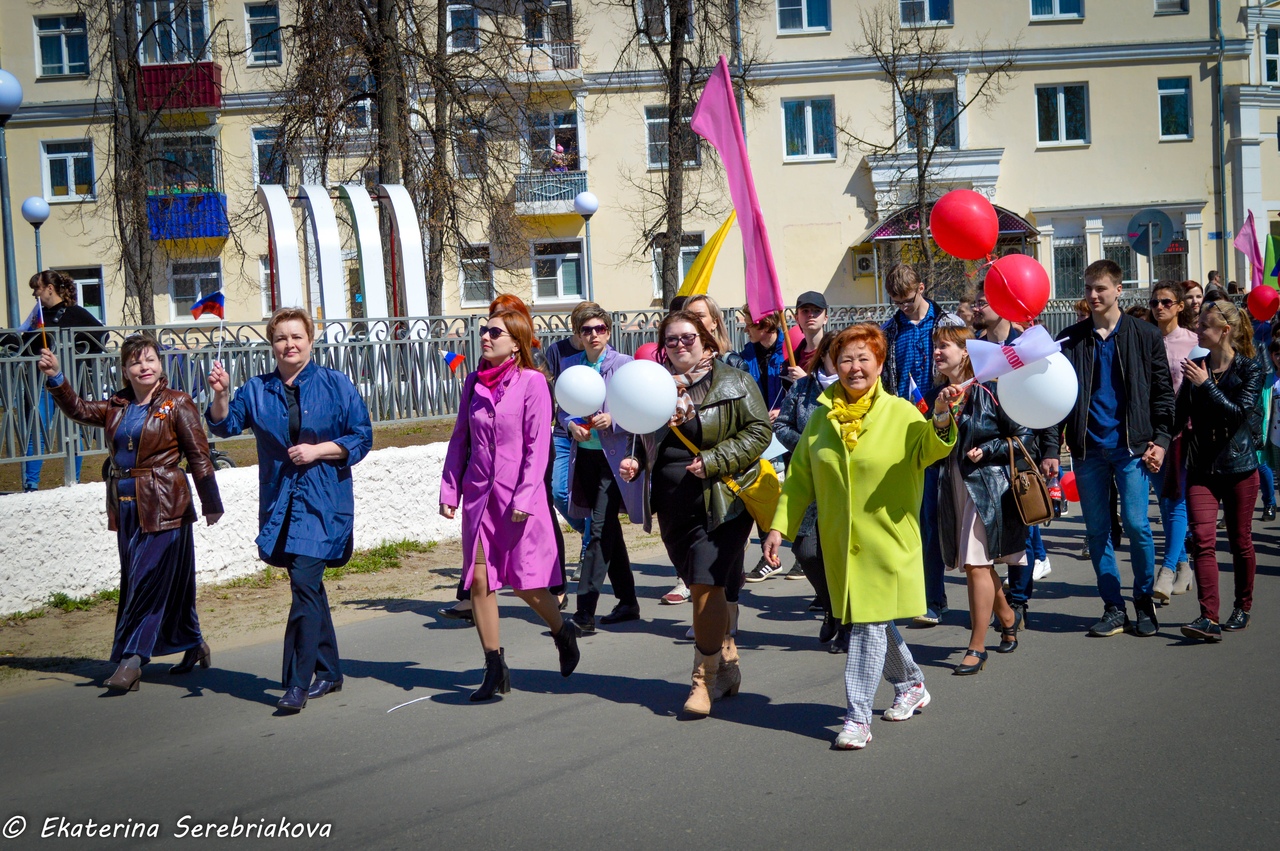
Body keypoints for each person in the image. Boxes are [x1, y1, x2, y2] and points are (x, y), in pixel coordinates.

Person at [764, 323, 959, 749]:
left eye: (863, 358)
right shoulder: (820, 419)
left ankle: (856, 717)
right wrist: (779, 526)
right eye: (845, 359)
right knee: (871, 620)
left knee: (866, 626)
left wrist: (942, 415)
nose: (854, 368)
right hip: (841, 544)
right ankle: (910, 682)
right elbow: (799, 479)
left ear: (880, 364)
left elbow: (933, 447)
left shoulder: (902, 412)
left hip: (886, 540)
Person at [207, 308, 373, 713]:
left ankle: (297, 683)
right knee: (308, 587)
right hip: (281, 499)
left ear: (310, 340)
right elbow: (225, 426)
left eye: (296, 336)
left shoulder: (336, 384)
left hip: (324, 502)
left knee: (303, 583)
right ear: (272, 344)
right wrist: (221, 394)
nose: (289, 344)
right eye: (281, 338)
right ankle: (330, 671)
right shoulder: (258, 389)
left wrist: (320, 450)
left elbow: (362, 435)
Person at [40, 334, 222, 692]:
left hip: (165, 503)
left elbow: (199, 455)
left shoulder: (177, 403)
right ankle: (191, 641)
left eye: (151, 359)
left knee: (146, 580)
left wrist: (211, 502)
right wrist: (57, 377)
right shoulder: (117, 405)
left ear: (160, 364)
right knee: (158, 580)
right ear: (125, 369)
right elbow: (78, 409)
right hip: (125, 506)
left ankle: (132, 658)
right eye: (136, 361)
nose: (145, 366)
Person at [618, 311, 771, 716]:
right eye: (671, 340)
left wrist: (716, 459)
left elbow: (759, 432)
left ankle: (701, 681)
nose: (680, 345)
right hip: (673, 504)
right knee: (705, 583)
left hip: (724, 499)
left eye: (688, 338)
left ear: (706, 340)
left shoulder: (735, 381)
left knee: (705, 583)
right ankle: (727, 658)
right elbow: (641, 430)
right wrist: (637, 461)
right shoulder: (654, 385)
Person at [439, 308, 582, 700]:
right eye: (485, 331)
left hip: (520, 496)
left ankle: (560, 629)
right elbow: (460, 439)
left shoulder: (533, 383)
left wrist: (523, 495)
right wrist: (450, 490)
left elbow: (538, 447)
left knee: (525, 584)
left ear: (516, 344)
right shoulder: (473, 383)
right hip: (479, 497)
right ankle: (495, 666)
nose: (485, 337)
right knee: (480, 581)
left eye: (495, 333)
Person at [1042, 260, 1174, 639]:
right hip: (1088, 451)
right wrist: (1053, 447)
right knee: (1097, 531)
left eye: (1100, 288)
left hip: (1132, 449)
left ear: (1119, 290)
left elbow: (1163, 394)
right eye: (1087, 288)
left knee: (1137, 525)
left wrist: (1162, 440)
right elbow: (1056, 400)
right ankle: (1113, 607)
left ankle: (1144, 601)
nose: (1092, 295)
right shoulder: (1071, 339)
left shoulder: (1145, 335)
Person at [932, 323, 1030, 673]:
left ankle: (976, 647)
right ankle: (1006, 617)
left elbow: (1023, 435)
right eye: (936, 347)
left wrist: (987, 450)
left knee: (975, 563)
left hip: (987, 487)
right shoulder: (942, 392)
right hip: (955, 485)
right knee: (980, 564)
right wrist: (940, 411)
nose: (938, 353)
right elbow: (936, 441)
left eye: (945, 346)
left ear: (966, 353)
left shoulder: (990, 390)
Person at [1176, 300, 1263, 641]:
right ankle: (1208, 617)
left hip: (1240, 466)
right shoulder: (1197, 366)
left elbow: (1239, 413)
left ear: (1224, 331)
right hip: (1202, 467)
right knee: (1202, 541)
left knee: (1240, 540)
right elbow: (1179, 412)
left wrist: (1206, 386)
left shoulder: (1250, 369)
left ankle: (1242, 607)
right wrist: (1157, 442)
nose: (1198, 330)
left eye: (1204, 326)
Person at [559, 306, 646, 631]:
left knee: (597, 531)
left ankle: (584, 613)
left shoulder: (624, 365)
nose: (593, 334)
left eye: (598, 328)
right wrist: (571, 427)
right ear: (579, 336)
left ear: (608, 331)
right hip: (587, 458)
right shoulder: (573, 367)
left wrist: (615, 419)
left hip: (615, 459)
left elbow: (641, 408)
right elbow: (564, 410)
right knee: (608, 530)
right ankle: (627, 602)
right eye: (586, 330)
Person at [773, 332, 842, 645]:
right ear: (825, 355)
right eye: (837, 353)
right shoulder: (803, 388)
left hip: (843, 487)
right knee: (807, 550)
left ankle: (849, 618)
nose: (845, 361)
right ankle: (831, 607)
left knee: (841, 553)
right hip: (808, 481)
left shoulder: (855, 389)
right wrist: (808, 447)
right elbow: (782, 425)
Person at [22, 270, 106, 492]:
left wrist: (75, 356)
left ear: (49, 289)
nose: (34, 294)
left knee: (73, 431)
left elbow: (101, 337)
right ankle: (30, 485)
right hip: (40, 384)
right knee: (36, 432)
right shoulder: (38, 315)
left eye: (36, 289)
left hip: (69, 384)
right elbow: (25, 344)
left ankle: (74, 481)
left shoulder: (75, 313)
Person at [1148, 282, 1198, 603]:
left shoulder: (1193, 342)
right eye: (1154, 302)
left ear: (1180, 306)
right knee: (1165, 503)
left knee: (1175, 500)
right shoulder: (1144, 338)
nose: (1159, 307)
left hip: (1182, 434)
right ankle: (1183, 565)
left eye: (1166, 301)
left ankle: (1166, 570)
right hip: (1151, 435)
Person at [880, 262, 940, 399]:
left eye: (908, 300)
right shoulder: (887, 332)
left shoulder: (947, 323)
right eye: (897, 303)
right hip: (903, 411)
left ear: (921, 288)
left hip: (940, 408)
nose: (904, 307)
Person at [787, 291, 829, 377]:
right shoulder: (793, 359)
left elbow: (838, 387)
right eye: (805, 311)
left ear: (825, 318)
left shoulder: (835, 351)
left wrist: (805, 380)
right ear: (797, 318)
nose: (811, 315)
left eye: (817, 311)